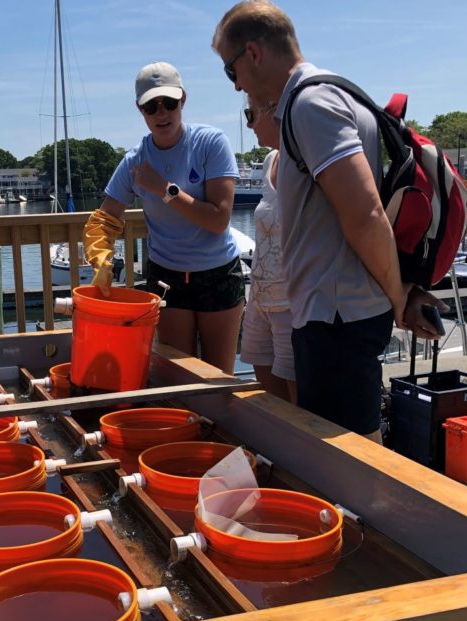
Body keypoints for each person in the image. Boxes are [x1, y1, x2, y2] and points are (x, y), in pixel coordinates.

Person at [212, 1, 444, 440]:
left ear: (253, 54)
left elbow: (365, 214)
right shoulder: (335, 91)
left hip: (335, 318)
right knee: (349, 449)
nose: (237, 84)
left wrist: (398, 297)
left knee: (347, 458)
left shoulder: (311, 104)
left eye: (231, 70)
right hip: (338, 313)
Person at [82, 62, 245, 375]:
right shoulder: (135, 160)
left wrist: (165, 190)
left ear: (183, 99)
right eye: (151, 106)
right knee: (178, 375)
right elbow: (105, 218)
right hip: (166, 277)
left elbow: (218, 219)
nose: (161, 113)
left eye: (169, 103)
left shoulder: (211, 142)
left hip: (218, 272)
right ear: (139, 109)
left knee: (218, 378)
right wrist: (100, 259)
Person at [239, 98, 296, 403]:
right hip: (259, 299)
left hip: (291, 304)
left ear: (274, 112)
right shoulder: (270, 160)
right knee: (270, 399)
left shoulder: (302, 164)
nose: (248, 124)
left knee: (299, 403)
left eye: (251, 114)